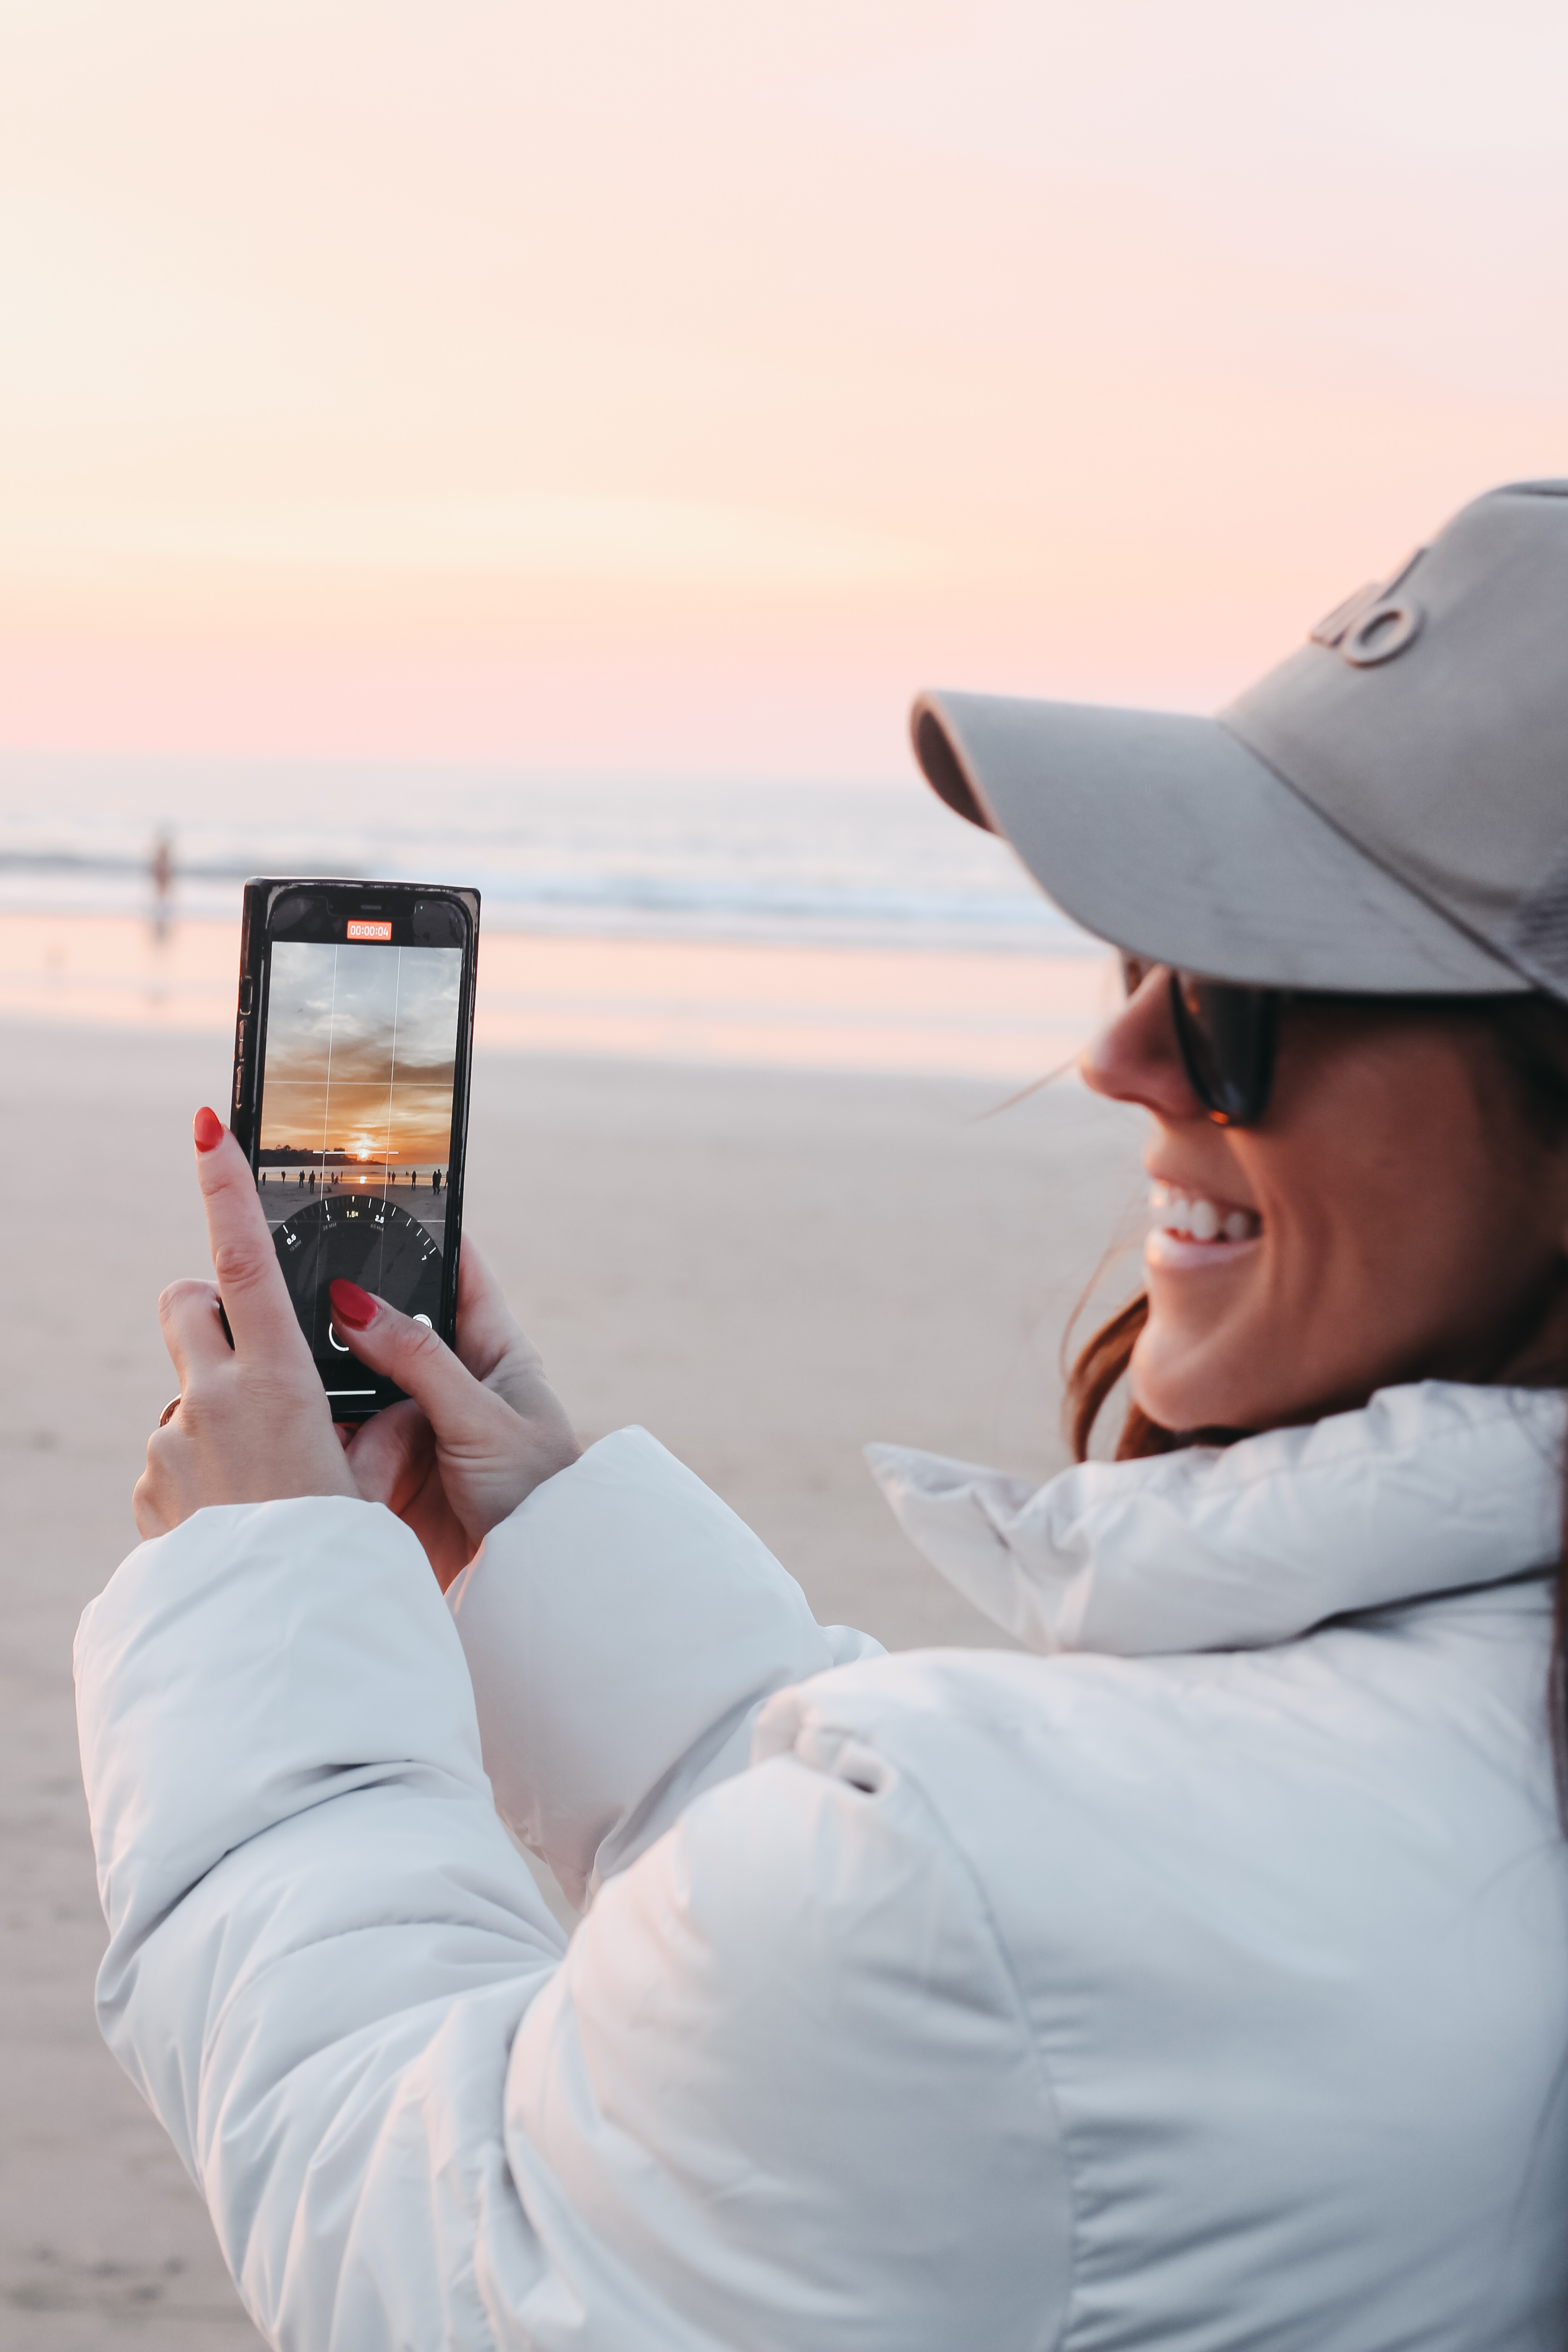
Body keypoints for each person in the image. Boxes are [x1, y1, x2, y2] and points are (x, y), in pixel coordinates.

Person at [75, 482, 1568, 2350]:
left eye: (1260, 991)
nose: (1125, 1052)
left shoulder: (995, 1889)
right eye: (1153, 950)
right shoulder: (1471, 1743)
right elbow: (979, 1989)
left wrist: (256, 1611)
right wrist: (549, 1545)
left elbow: (435, 2245)